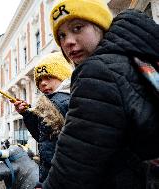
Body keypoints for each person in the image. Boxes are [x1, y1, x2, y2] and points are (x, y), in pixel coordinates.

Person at [41, 0, 159, 189]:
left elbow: (74, 163)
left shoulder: (97, 71)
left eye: (77, 28)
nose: (68, 42)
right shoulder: (135, 56)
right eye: (61, 35)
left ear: (100, 25)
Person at [12, 52, 72, 183]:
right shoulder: (69, 97)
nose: (43, 83)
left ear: (63, 76)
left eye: (48, 77)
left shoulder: (55, 102)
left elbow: (47, 147)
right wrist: (27, 113)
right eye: (39, 80)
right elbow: (44, 137)